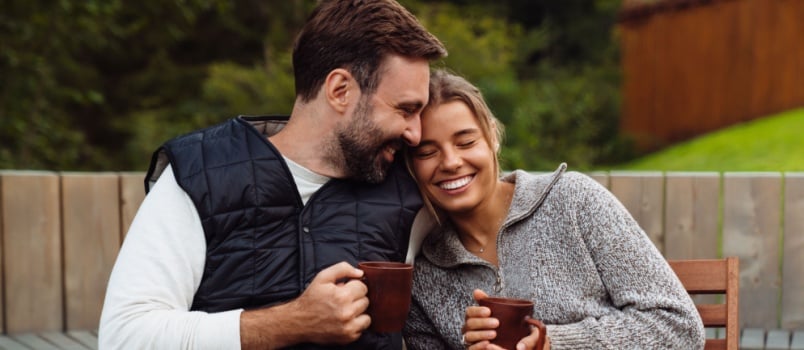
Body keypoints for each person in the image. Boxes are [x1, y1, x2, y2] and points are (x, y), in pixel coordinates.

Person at [98, 1, 447, 349]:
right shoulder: (199, 174)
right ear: (340, 90)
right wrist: (293, 322)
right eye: (405, 109)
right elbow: (125, 337)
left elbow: (492, 210)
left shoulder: (411, 188)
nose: (415, 134)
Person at [402, 69, 706, 350]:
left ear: (492, 137)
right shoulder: (423, 274)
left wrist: (554, 344)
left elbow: (679, 327)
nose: (451, 162)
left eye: (466, 142)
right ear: (410, 166)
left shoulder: (573, 201)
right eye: (427, 152)